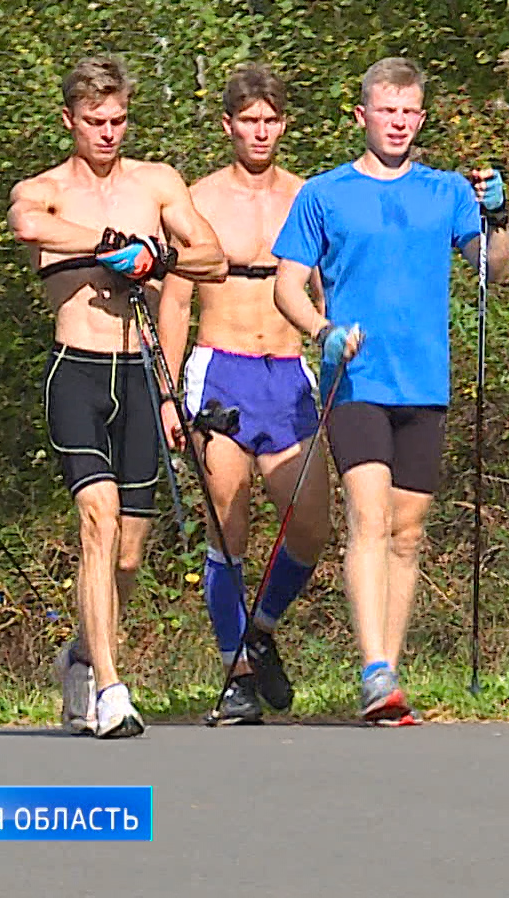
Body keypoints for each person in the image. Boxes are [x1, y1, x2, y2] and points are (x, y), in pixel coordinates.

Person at [272, 57, 509, 726]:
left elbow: (492, 270)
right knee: (369, 518)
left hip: (424, 382)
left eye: (409, 112)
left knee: (408, 531)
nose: (398, 123)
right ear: (363, 116)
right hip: (357, 380)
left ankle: (390, 675)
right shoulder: (324, 194)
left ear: (421, 118)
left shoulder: (448, 192)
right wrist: (322, 331)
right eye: (386, 111)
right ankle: (373, 669)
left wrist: (499, 215)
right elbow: (286, 286)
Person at [9, 54, 227, 739]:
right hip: (77, 370)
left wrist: (158, 258)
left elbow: (214, 256)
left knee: (128, 555)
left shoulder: (156, 182)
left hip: (138, 373)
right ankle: (110, 689)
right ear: (68, 120)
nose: (108, 133)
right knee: (97, 520)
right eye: (94, 121)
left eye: (118, 120)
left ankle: (81, 654)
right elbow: (28, 226)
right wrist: (110, 245)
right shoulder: (45, 189)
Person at [157, 64, 334, 726]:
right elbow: (176, 301)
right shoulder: (198, 199)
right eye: (249, 121)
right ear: (228, 125)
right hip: (220, 369)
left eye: (271, 121)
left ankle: (260, 628)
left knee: (311, 523)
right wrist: (169, 393)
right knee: (228, 516)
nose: (260, 132)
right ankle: (235, 674)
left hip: (287, 371)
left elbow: (325, 290)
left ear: (284, 125)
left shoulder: (307, 196)